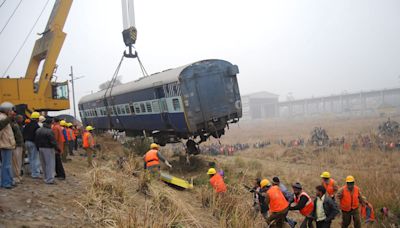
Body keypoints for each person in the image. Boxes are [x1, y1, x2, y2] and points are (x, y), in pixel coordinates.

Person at [35, 118, 58, 184]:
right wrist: (57, 148)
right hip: (48, 148)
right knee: (50, 164)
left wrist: (38, 147)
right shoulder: (50, 131)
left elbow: (36, 140)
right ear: (50, 123)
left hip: (40, 148)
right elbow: (53, 141)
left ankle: (45, 178)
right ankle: (50, 179)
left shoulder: (38, 130)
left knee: (43, 164)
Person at [0, 102, 16, 189]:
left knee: (5, 165)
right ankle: (6, 183)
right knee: (6, 165)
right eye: (11, 110)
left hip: (6, 144)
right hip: (5, 145)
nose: (12, 112)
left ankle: (6, 181)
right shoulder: (2, 118)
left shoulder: (4, 118)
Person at [23, 111, 41, 178]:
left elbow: (23, 133)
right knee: (35, 158)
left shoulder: (27, 125)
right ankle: (35, 173)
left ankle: (32, 171)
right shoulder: (37, 126)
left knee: (30, 158)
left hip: (26, 142)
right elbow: (37, 136)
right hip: (33, 143)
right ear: (37, 118)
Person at [10, 113, 24, 183]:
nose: (22, 120)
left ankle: (17, 175)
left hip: (19, 145)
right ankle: (15, 176)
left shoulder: (16, 125)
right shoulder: (13, 125)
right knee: (16, 162)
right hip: (16, 145)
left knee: (18, 162)